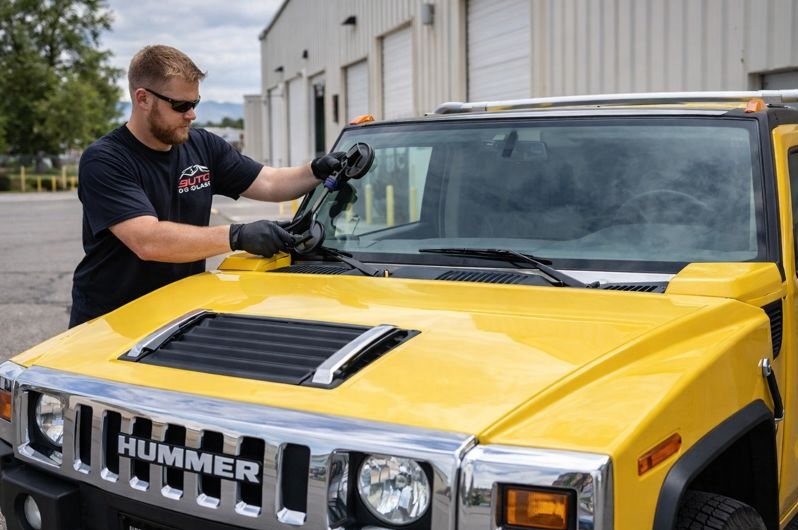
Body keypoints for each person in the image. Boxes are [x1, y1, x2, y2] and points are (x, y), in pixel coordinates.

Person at [69, 44, 342, 327]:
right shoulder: (105, 159)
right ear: (143, 99)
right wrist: (237, 236)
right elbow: (147, 240)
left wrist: (316, 170)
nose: (192, 115)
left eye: (195, 103)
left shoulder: (202, 145)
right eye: (181, 105)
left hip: (176, 313)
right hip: (111, 323)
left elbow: (269, 182)